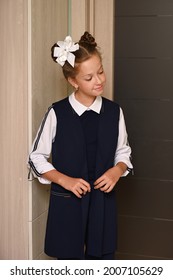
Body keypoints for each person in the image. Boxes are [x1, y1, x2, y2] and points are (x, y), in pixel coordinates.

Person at [28, 31, 133, 260]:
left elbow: (123, 151)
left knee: (102, 261)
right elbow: (35, 158)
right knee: (69, 262)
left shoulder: (115, 112)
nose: (99, 80)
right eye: (89, 78)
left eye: (101, 72)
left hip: (103, 203)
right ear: (73, 81)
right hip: (67, 204)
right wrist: (64, 180)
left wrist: (117, 170)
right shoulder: (57, 113)